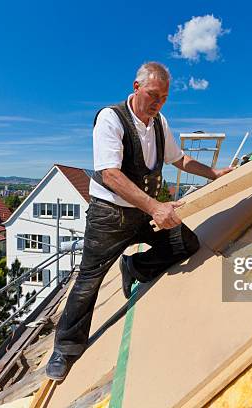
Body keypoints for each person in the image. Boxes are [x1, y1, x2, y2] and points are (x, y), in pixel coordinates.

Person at [46, 61, 233, 381]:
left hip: (145, 214)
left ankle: (135, 267)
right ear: (136, 88)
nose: (158, 102)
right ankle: (65, 348)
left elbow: (180, 159)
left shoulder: (160, 123)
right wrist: (156, 207)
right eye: (152, 94)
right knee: (89, 280)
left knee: (185, 243)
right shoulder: (111, 118)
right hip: (110, 217)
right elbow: (110, 174)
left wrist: (213, 173)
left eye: (163, 97)